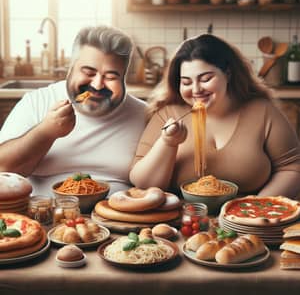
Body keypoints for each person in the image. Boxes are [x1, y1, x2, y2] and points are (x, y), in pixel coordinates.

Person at [129, 34, 300, 199]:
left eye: (206, 78)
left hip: (249, 223)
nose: (196, 90)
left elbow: (292, 168)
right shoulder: (167, 114)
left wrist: (253, 208)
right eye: (186, 82)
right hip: (181, 220)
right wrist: (167, 143)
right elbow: (143, 184)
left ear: (228, 73)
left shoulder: (263, 111)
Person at [0, 25, 147, 196]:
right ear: (70, 69)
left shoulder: (144, 115)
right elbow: (3, 169)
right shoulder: (38, 101)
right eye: (89, 72)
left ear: (124, 78)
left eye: (111, 77)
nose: (97, 85)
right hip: (40, 215)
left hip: (119, 219)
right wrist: (46, 132)